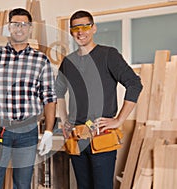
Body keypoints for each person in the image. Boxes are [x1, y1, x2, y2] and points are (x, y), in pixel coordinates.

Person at [0, 8, 57, 189]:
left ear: (30, 28)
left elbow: (49, 97)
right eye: (15, 24)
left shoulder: (40, 60)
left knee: (23, 184)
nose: (19, 28)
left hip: (27, 131)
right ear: (9, 27)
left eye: (24, 24)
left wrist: (49, 132)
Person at [55, 10, 143, 189]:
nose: (81, 31)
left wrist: (119, 120)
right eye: (76, 28)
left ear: (93, 28)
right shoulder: (68, 62)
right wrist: (64, 120)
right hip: (77, 135)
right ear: (71, 31)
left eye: (85, 26)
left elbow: (134, 84)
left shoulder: (108, 55)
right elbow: (57, 92)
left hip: (101, 134)